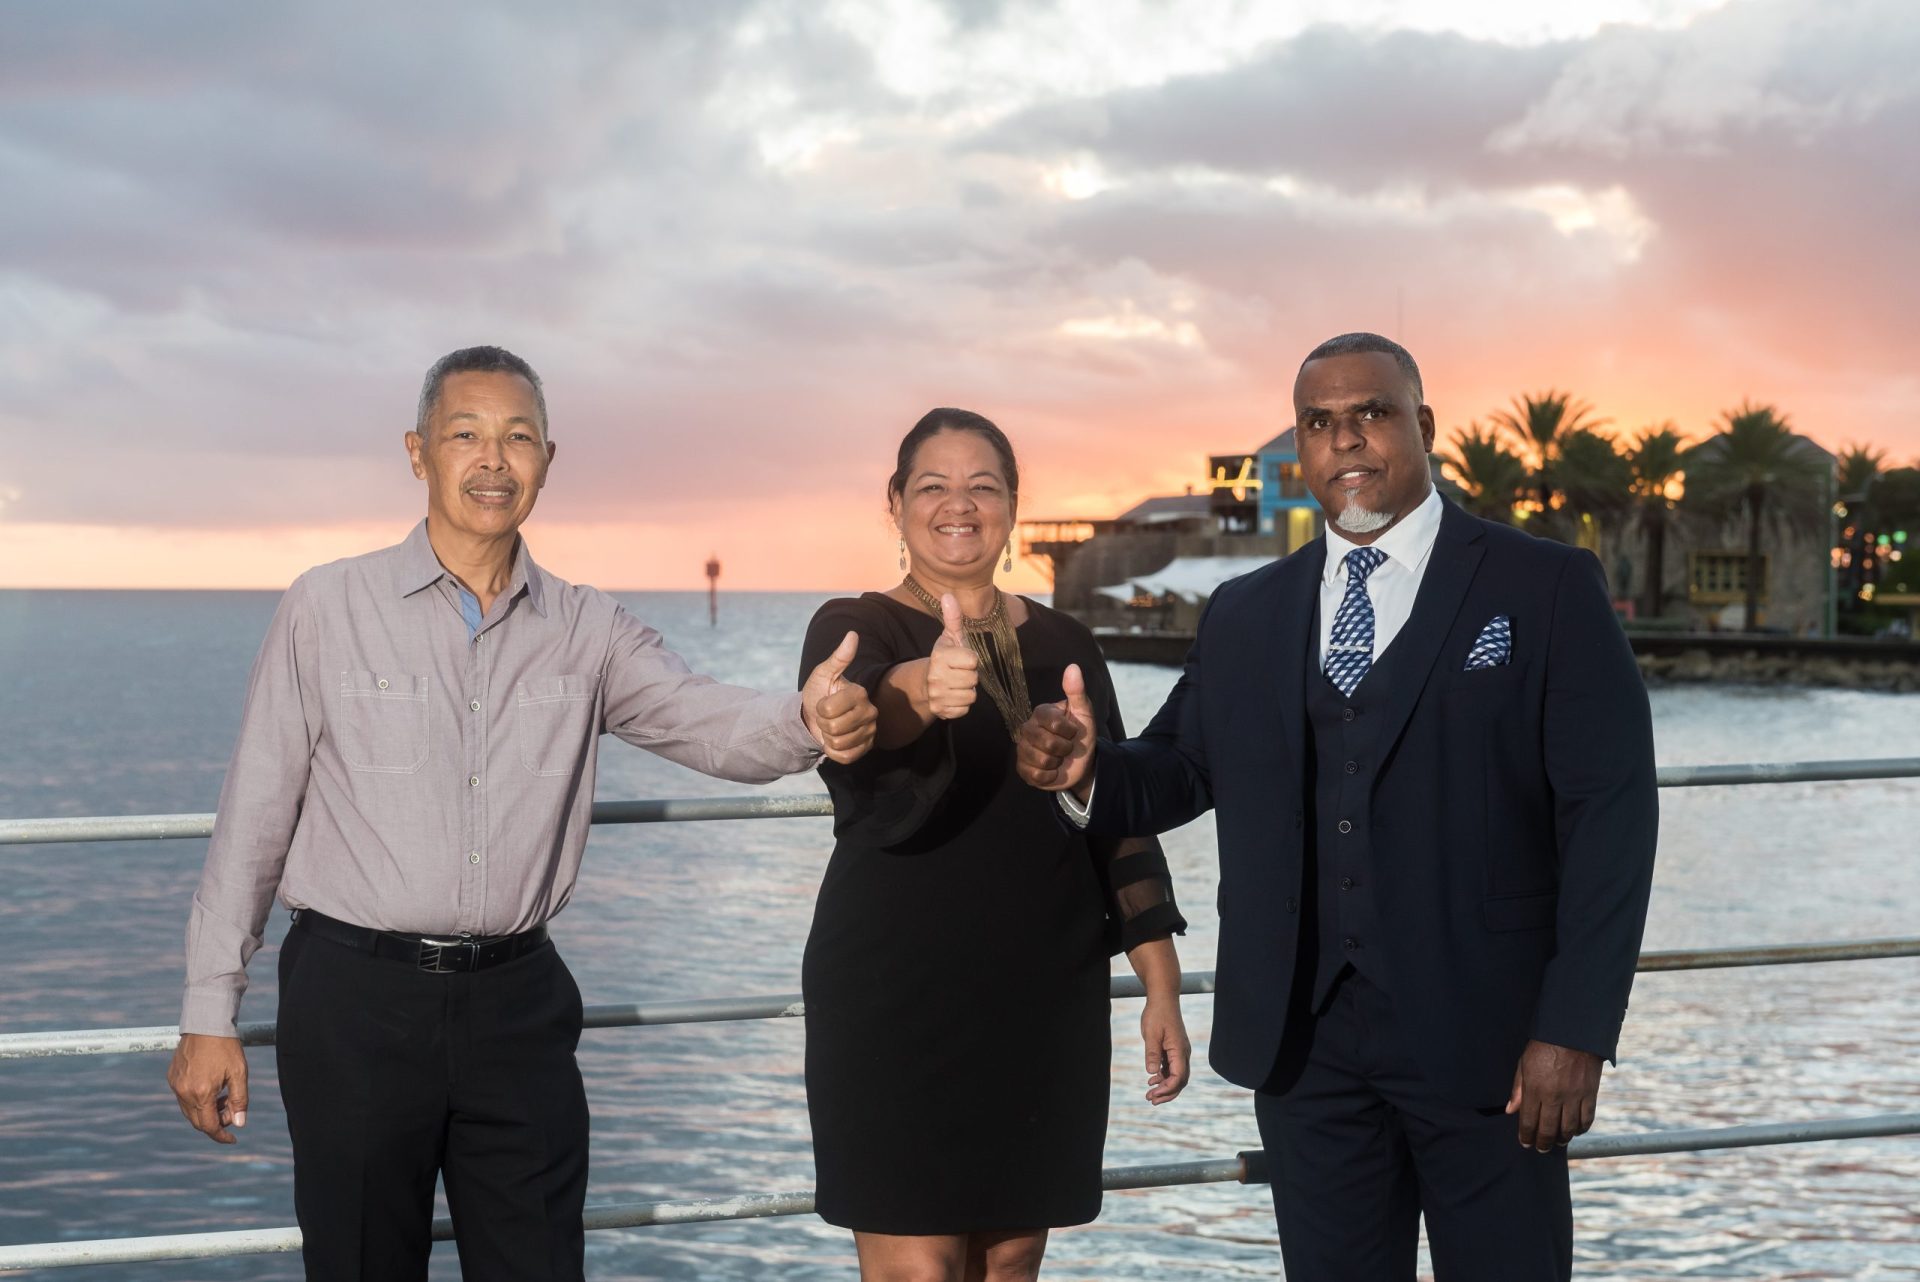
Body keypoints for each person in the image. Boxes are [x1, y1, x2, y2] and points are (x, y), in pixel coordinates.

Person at [165, 345, 878, 1281]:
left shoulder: (589, 627)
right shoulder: (326, 607)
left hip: (518, 1011)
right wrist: (208, 1011)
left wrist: (807, 719)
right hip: (354, 1003)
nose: (492, 460)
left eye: (517, 438)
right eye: (466, 435)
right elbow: (254, 817)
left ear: (548, 458)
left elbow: (705, 722)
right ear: (418, 452)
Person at [1017, 334, 1658, 1280]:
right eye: (1319, 423)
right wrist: (1087, 773)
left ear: (1424, 426)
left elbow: (1611, 817)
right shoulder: (1246, 610)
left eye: (1372, 414)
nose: (1345, 440)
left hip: (1493, 1040)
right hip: (1304, 1046)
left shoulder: (1543, 584)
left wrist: (1575, 1029)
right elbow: (1181, 766)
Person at [797, 409, 1191, 1282]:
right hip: (894, 999)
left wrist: (1161, 987)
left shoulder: (1067, 643)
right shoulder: (851, 628)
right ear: (895, 503)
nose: (959, 504)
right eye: (932, 485)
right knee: (919, 1268)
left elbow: (1119, 822)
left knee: (1011, 1265)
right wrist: (922, 688)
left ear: (1014, 505)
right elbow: (860, 708)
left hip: (1043, 996)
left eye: (983, 486)